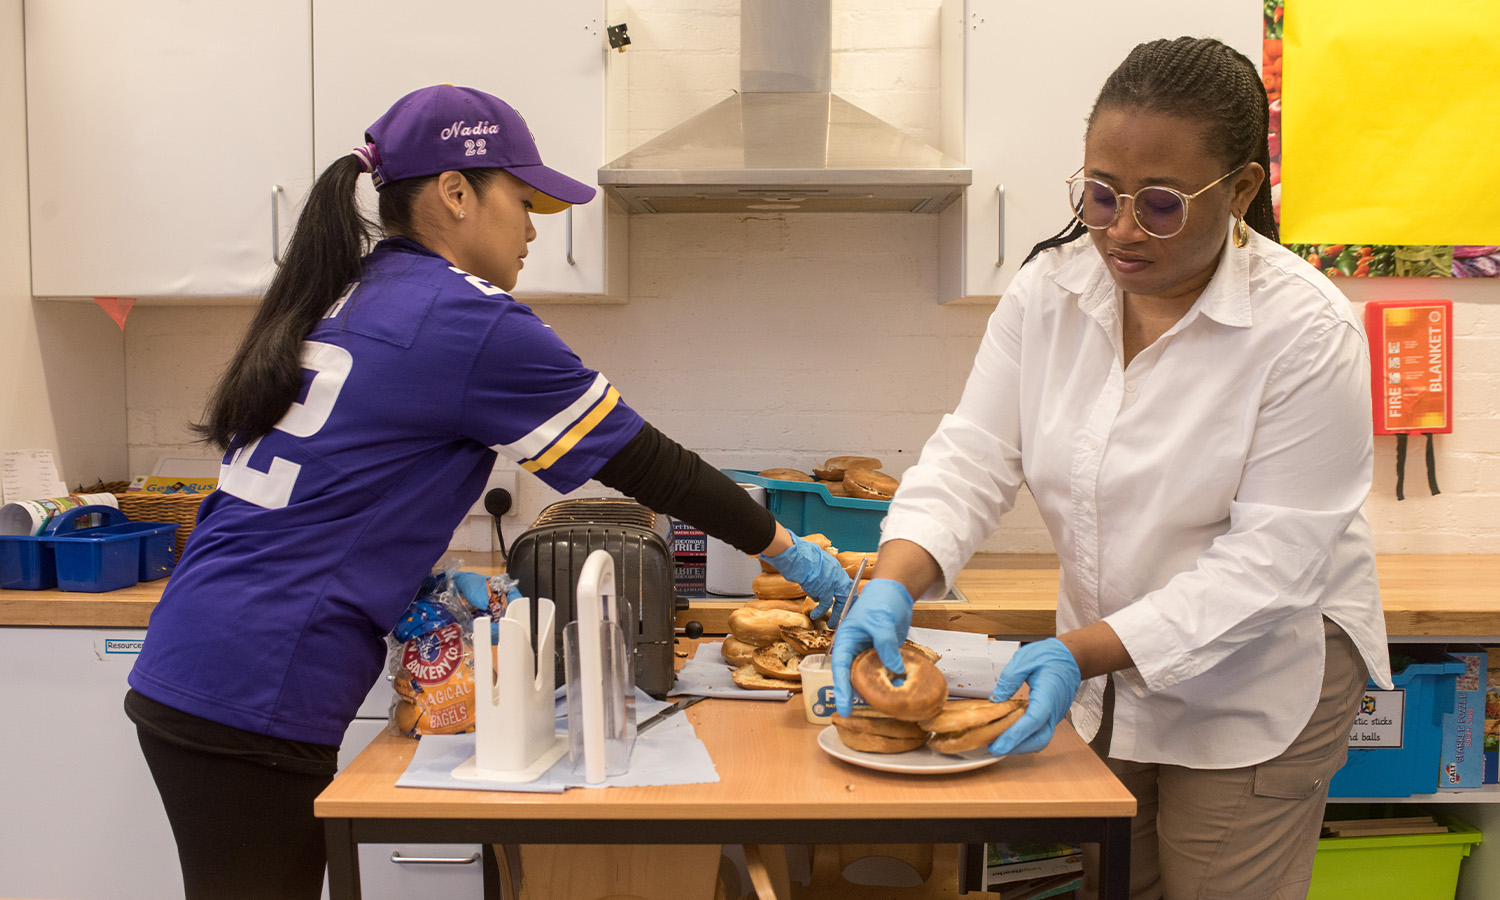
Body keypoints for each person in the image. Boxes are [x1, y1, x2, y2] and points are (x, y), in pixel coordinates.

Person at [124, 84, 852, 900]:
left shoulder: (349, 294)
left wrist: (412, 586)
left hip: (207, 656)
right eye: (525, 199)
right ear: (457, 193)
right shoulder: (465, 319)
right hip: (255, 684)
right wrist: (796, 554)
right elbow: (652, 465)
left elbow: (315, 498)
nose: (537, 228)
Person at [829, 37, 1391, 900]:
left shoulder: (1307, 334)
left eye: (1161, 204)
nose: (1121, 230)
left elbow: (1271, 568)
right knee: (1119, 881)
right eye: (1100, 195)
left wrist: (1079, 651)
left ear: (1241, 189)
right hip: (1105, 658)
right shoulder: (1049, 290)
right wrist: (893, 581)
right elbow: (977, 452)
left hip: (1258, 671)